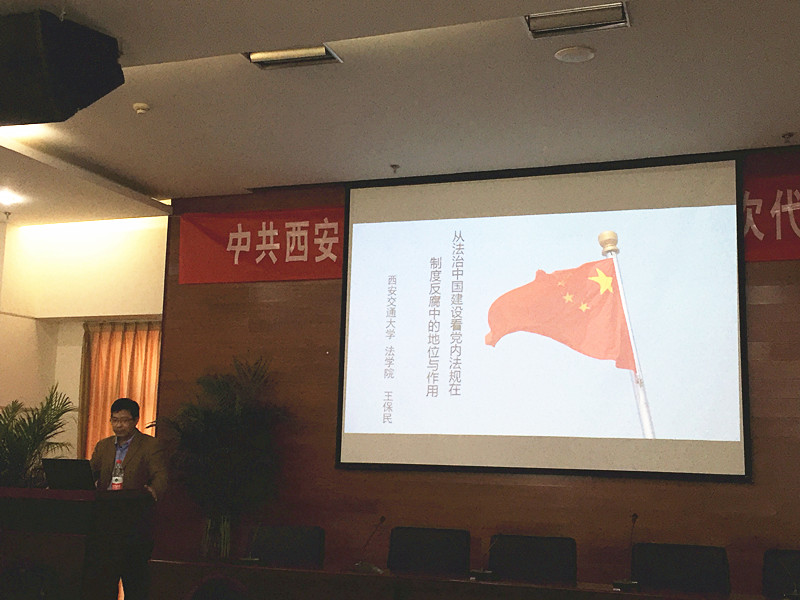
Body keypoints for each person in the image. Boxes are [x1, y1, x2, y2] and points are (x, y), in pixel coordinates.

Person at [89, 397, 167, 600]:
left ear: (136, 420)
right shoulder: (104, 446)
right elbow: (89, 473)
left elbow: (160, 476)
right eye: (114, 420)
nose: (118, 425)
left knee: (135, 580)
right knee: (104, 581)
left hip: (134, 520)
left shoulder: (150, 445)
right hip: (105, 521)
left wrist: (152, 492)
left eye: (124, 420)